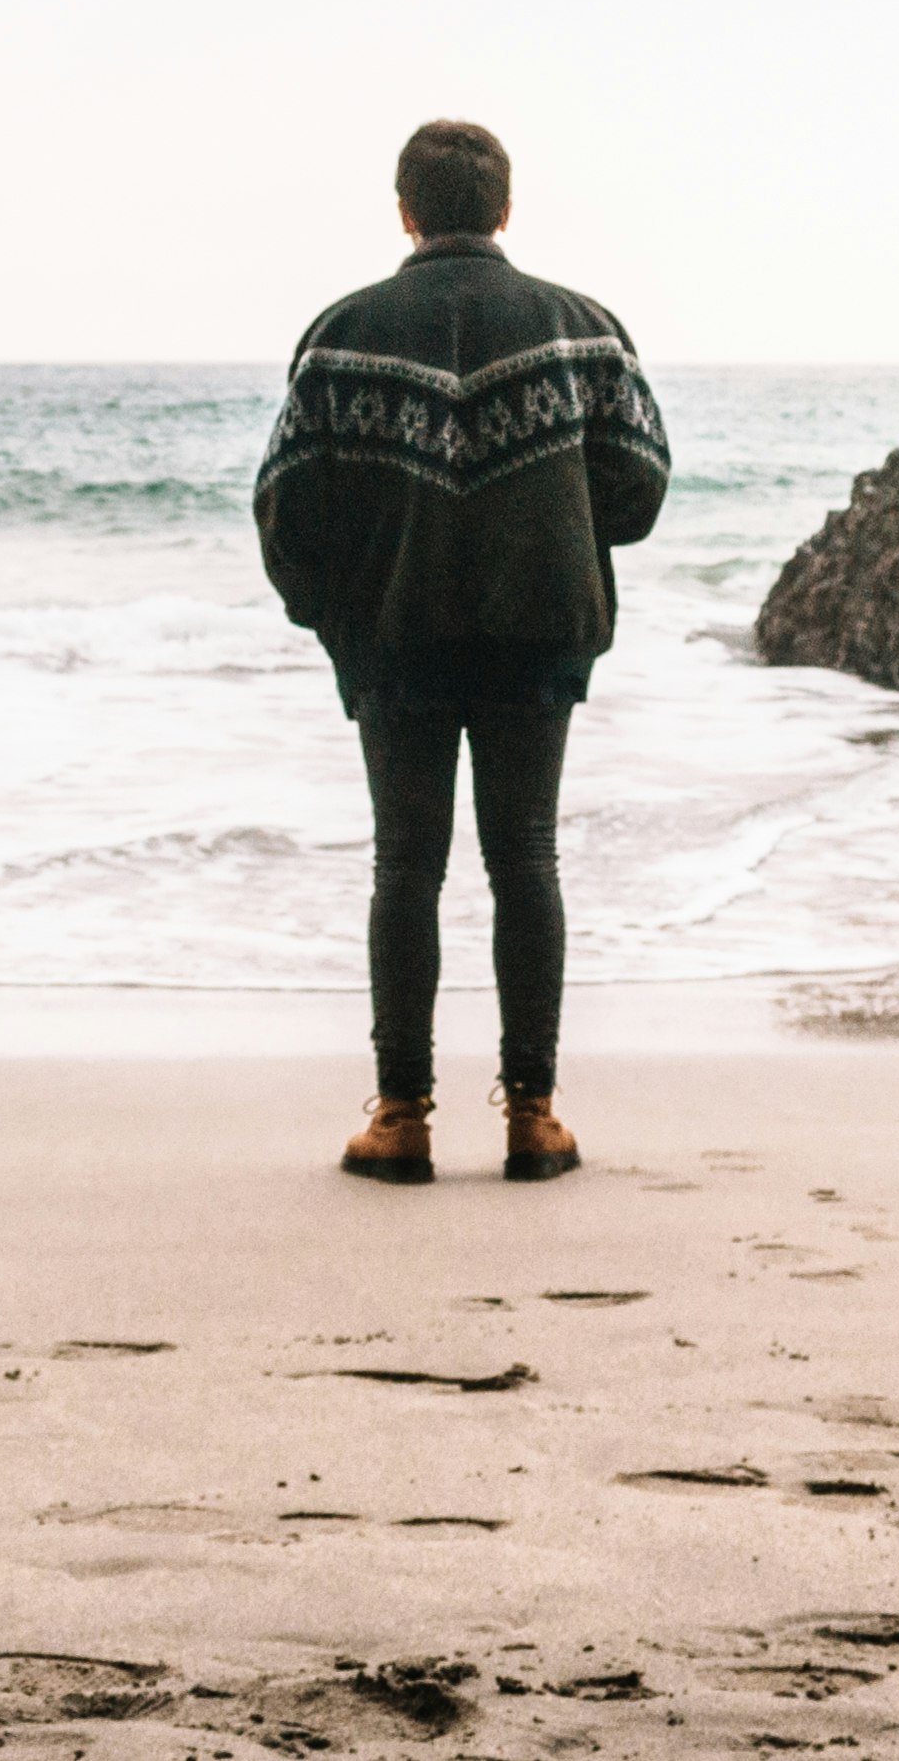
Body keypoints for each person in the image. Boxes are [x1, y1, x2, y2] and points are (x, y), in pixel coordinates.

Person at [254, 119, 670, 1185]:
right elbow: (638, 484)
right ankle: (532, 1118)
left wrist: (337, 613)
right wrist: (558, 536)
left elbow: (283, 506)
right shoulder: (581, 330)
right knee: (524, 857)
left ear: (404, 210)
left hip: (394, 641)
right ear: (503, 209)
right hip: (537, 632)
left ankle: (401, 1120)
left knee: (407, 864)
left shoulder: (343, 334)